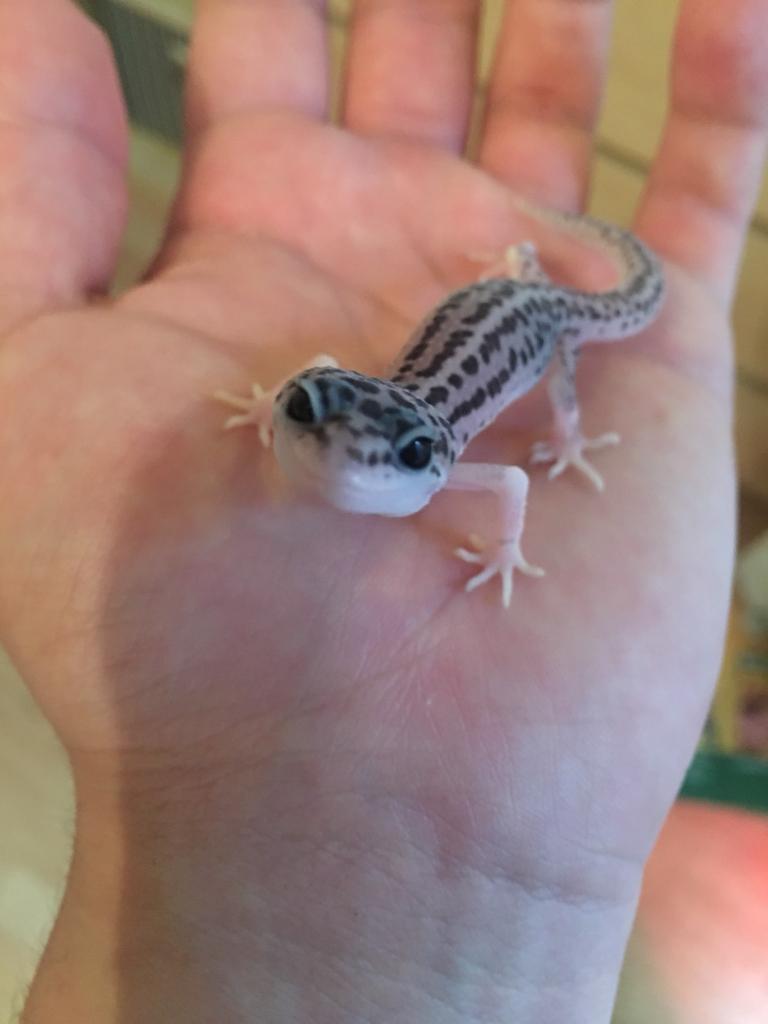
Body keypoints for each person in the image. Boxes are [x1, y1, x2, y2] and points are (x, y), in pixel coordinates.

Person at [1, 1, 766, 1021]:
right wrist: (275, 401)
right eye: (315, 421)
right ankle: (535, 267)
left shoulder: (456, 464)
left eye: (391, 460)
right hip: (495, 307)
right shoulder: (349, 400)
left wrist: (528, 513)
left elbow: (512, 481)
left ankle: (543, 291)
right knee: (429, 351)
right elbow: (317, 374)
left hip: (543, 322)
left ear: (426, 456)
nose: (345, 463)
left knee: (564, 353)